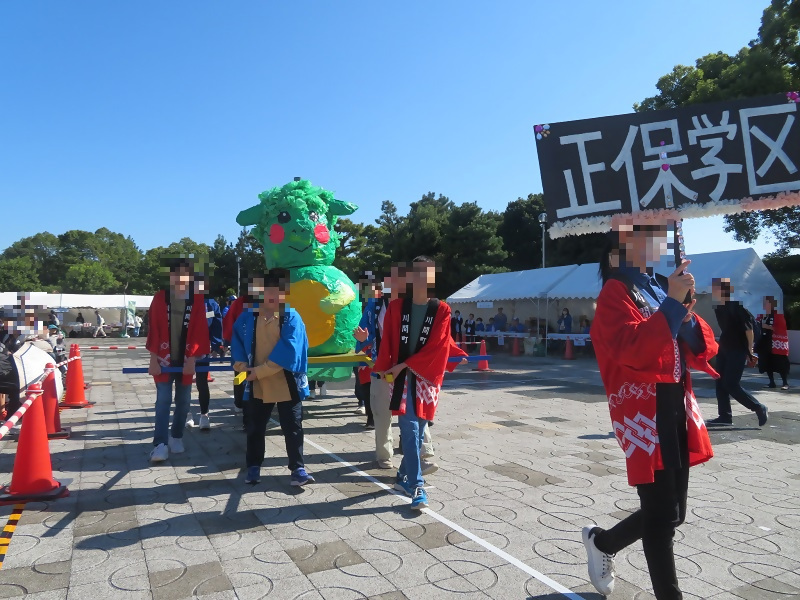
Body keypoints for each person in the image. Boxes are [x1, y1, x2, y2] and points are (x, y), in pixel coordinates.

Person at [584, 221, 718, 599]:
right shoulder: (615, 291)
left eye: (656, 238)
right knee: (661, 518)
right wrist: (673, 303)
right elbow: (634, 349)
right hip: (644, 411)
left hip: (676, 406)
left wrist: (683, 307)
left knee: (673, 513)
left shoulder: (658, 286)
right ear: (620, 249)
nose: (655, 245)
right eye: (645, 238)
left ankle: (603, 543)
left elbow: (698, 346)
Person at [374, 256, 467, 510]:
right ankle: (417, 486)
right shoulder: (396, 307)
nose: (422, 278)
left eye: (428, 273)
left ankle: (401, 476)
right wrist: (383, 368)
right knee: (411, 429)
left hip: (426, 376)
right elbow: (387, 339)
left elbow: (439, 344)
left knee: (418, 429)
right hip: (401, 378)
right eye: (417, 273)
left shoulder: (442, 309)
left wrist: (404, 364)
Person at [231, 268, 314, 487]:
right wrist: (241, 365)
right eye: (269, 290)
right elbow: (236, 341)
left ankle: (297, 468)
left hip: (285, 381)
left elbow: (290, 351)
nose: (273, 295)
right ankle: (253, 466)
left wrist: (259, 371)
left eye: (279, 290)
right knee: (255, 427)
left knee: (293, 426)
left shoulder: (291, 316)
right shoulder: (248, 317)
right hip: (257, 382)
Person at [146, 258, 211, 462]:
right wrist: (153, 359)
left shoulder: (196, 300)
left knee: (183, 401)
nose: (180, 278)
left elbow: (200, 330)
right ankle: (160, 443)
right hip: (164, 358)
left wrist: (192, 358)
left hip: (186, 358)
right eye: (176, 274)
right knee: (163, 401)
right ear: (171, 276)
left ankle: (176, 436)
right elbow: (153, 329)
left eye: (184, 274)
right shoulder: (160, 298)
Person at [707, 279, 769, 427]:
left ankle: (758, 407)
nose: (713, 291)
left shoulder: (737, 306)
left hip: (738, 349)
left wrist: (750, 351)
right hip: (724, 348)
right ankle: (725, 416)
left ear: (724, 290)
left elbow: (749, 330)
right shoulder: (719, 307)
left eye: (715, 288)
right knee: (719, 381)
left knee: (730, 383)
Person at [190, 271, 224, 431]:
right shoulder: (183, 302)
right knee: (183, 383)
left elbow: (216, 325)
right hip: (183, 349)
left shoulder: (211, 304)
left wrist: (216, 346)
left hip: (202, 349)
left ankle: (204, 415)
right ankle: (186, 414)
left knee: (202, 383)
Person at [757, 296, 790, 390]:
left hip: (776, 342)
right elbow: (757, 323)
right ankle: (771, 382)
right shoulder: (763, 314)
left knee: (780, 363)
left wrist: (766, 326)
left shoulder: (778, 315)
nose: (764, 305)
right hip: (765, 342)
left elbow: (780, 328)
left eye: (766, 303)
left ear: (772, 304)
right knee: (767, 362)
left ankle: (785, 383)